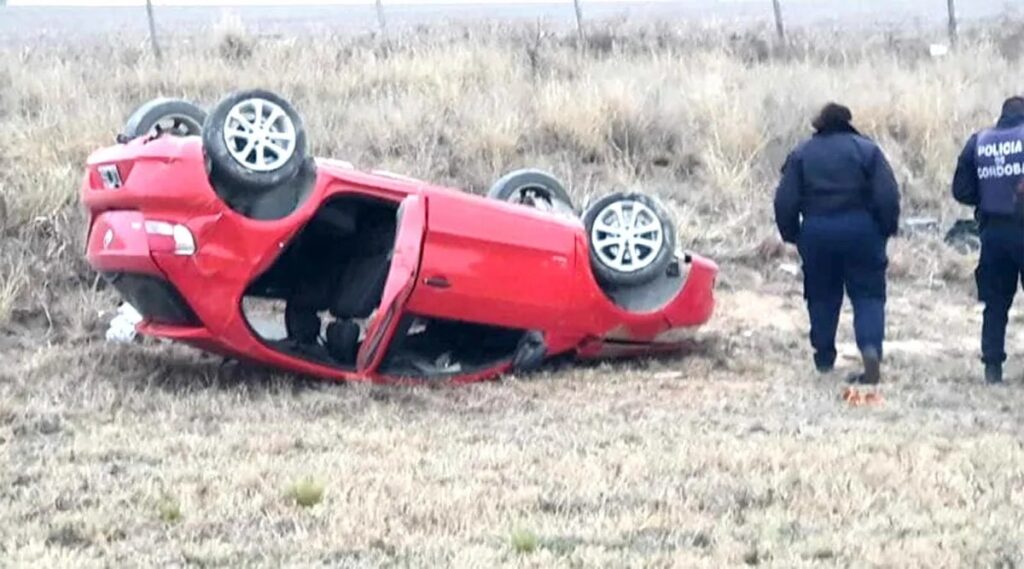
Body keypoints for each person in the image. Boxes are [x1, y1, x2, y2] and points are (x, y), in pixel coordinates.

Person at [774, 103, 901, 384]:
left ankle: (823, 356)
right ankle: (870, 349)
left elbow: (784, 201)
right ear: (848, 122)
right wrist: (885, 229)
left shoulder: (802, 154)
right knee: (868, 295)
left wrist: (793, 234)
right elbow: (888, 195)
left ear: (818, 123)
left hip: (818, 232)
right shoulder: (867, 150)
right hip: (862, 232)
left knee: (821, 296)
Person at [952, 96, 1024, 384]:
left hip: (993, 233)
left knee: (995, 304)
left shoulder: (979, 141)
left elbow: (961, 190)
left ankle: (992, 367)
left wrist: (986, 197)